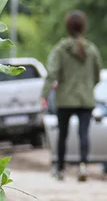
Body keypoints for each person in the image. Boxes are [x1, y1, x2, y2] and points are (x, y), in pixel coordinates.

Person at [41, 11, 103, 182]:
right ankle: (83, 166)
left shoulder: (60, 50)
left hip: (65, 99)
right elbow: (98, 75)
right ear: (83, 27)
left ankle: (60, 168)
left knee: (63, 134)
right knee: (84, 133)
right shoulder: (92, 49)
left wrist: (44, 94)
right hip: (86, 99)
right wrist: (88, 88)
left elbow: (52, 73)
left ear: (67, 27)